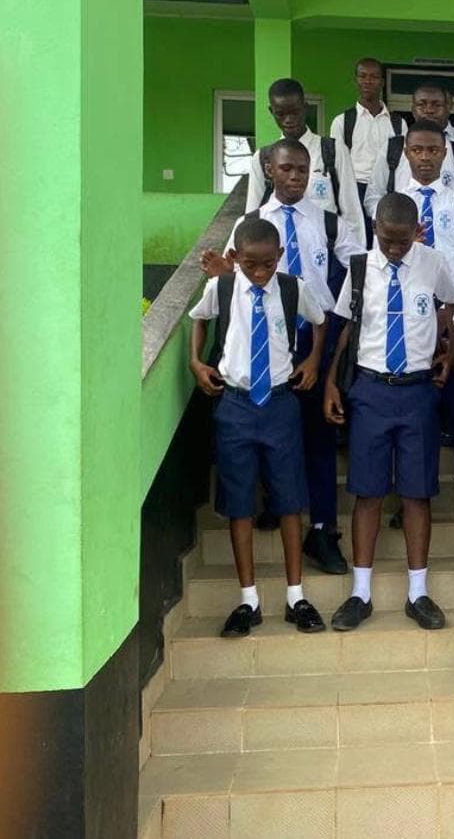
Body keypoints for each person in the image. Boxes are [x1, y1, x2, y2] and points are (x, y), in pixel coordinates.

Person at [202, 139, 364, 575]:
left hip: (314, 341)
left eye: (303, 170)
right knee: (271, 437)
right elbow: (238, 281)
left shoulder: (329, 224)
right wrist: (224, 274)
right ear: (270, 170)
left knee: (318, 439)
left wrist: (322, 353)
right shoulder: (250, 223)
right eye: (287, 168)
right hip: (263, 350)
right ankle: (274, 507)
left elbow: (362, 269)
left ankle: (324, 531)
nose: (295, 177)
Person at [322, 193, 454, 632]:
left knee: (418, 493)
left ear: (416, 231)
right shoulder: (361, 268)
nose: (395, 248)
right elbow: (348, 327)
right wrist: (331, 382)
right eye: (387, 239)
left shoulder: (433, 263)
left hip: (418, 391)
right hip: (371, 390)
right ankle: (360, 593)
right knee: (367, 492)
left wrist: (449, 353)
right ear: (376, 229)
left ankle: (418, 593)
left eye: (403, 240)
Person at [188, 217, 328, 638]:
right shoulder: (223, 287)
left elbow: (320, 323)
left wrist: (312, 361)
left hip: (281, 404)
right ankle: (248, 599)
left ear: (280, 257)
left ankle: (295, 596)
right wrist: (196, 362)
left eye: (268, 263)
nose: (261, 272)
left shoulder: (291, 288)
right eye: (251, 264)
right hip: (235, 405)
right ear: (234, 259)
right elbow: (198, 319)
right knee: (239, 503)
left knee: (289, 501)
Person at [389, 119, 454, 526]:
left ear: (445, 153)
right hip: (406, 326)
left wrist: (453, 320)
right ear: (406, 153)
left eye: (432, 150)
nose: (425, 158)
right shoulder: (393, 207)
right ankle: (407, 497)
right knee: (412, 417)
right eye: (417, 150)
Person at [246, 78, 364, 248]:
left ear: (305, 107)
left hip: (327, 253)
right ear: (271, 111)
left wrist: (356, 264)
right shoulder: (263, 157)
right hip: (278, 256)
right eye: (281, 113)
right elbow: (252, 215)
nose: (288, 119)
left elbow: (352, 213)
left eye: (294, 112)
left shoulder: (333, 151)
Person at [363, 81, 454, 219]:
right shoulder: (393, 147)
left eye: (436, 105)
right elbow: (373, 196)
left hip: (445, 232)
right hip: (399, 236)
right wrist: (391, 221)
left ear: (448, 108)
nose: (429, 110)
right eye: (422, 104)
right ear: (413, 109)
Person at [329, 58, 407, 243]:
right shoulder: (342, 122)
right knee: (354, 242)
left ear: (382, 81)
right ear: (355, 80)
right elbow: (335, 164)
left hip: (387, 190)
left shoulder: (397, 123)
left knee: (386, 243)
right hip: (353, 190)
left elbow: (404, 162)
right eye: (363, 76)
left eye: (374, 77)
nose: (368, 81)